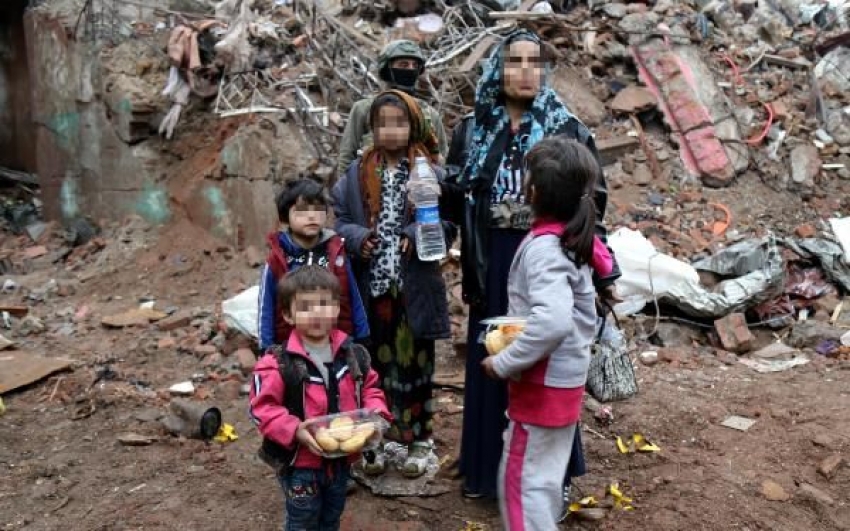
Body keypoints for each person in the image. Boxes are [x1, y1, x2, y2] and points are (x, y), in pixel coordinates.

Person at [441, 29, 621, 500]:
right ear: (496, 69)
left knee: (545, 358)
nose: (525, 70)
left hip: (549, 255)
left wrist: (599, 264)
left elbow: (592, 201)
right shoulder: (472, 128)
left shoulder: (567, 129)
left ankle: (548, 480)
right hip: (491, 259)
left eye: (534, 61)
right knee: (495, 353)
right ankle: (486, 472)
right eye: (514, 61)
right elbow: (451, 196)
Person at [481, 137, 608, 530]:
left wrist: (504, 362)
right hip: (564, 381)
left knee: (523, 485)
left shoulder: (544, 249)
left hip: (542, 383)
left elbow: (552, 322)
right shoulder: (569, 241)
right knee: (546, 480)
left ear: (532, 191)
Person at [332, 89, 455, 478]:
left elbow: (449, 224)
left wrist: (418, 233)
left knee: (416, 366)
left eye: (399, 123)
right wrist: (355, 238)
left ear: (413, 126)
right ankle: (377, 440)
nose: (391, 131)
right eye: (382, 123)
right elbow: (337, 220)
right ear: (371, 128)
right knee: (374, 368)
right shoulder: (356, 174)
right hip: (373, 289)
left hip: (413, 288)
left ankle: (419, 440)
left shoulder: (429, 172)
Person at [249, 265, 391, 531]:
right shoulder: (278, 363)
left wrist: (376, 415)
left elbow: (370, 388)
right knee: (303, 520)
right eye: (306, 307)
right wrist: (294, 430)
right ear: (288, 315)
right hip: (301, 463)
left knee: (331, 516)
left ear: (337, 309)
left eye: (325, 304)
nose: (317, 313)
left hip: (341, 460)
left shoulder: (354, 355)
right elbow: (262, 408)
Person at [258, 178, 369, 351]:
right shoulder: (277, 257)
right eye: (301, 211)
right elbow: (266, 306)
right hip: (290, 347)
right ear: (285, 216)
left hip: (338, 343)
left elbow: (353, 296)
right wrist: (266, 346)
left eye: (318, 210)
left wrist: (362, 337)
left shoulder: (336, 251)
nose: (312, 216)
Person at [336, 40, 448, 176]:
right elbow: (347, 156)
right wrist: (347, 192)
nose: (410, 69)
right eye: (403, 64)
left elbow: (442, 159)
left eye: (414, 65)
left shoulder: (429, 114)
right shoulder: (364, 109)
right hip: (371, 188)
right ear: (388, 69)